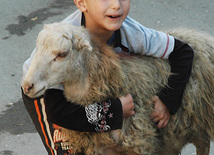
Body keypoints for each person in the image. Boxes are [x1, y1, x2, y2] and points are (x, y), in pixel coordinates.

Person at [21, 0, 194, 154]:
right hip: (44, 89)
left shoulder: (133, 33)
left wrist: (168, 101)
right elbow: (58, 111)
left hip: (90, 89)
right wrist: (115, 110)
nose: (116, 5)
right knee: (73, 148)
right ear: (81, 3)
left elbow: (183, 52)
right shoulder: (63, 44)